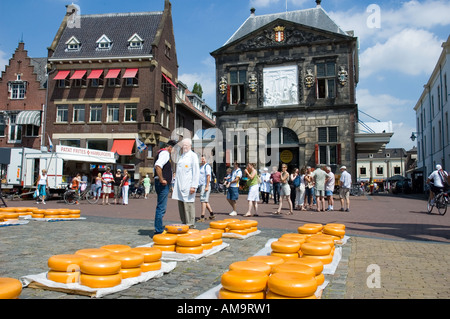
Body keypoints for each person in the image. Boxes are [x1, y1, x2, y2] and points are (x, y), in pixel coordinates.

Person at [172, 138, 199, 229]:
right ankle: (184, 222)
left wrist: (194, 186)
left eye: (186, 145)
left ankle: (190, 224)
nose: (184, 147)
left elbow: (196, 172)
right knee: (181, 205)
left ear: (190, 146)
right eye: (183, 145)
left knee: (189, 205)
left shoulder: (193, 156)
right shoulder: (182, 156)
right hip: (180, 185)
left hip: (188, 185)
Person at [154, 140, 177, 235]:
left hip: (160, 183)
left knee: (160, 206)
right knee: (161, 207)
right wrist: (162, 179)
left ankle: (158, 227)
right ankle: (158, 229)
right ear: (170, 147)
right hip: (162, 184)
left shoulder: (161, 152)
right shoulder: (165, 153)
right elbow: (158, 166)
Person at [198, 155, 215, 221]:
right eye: (201, 159)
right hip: (201, 185)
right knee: (205, 201)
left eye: (203, 159)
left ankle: (202, 216)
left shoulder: (207, 166)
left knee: (203, 201)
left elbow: (208, 176)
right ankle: (212, 214)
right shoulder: (201, 167)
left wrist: (207, 186)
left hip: (205, 185)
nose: (202, 160)